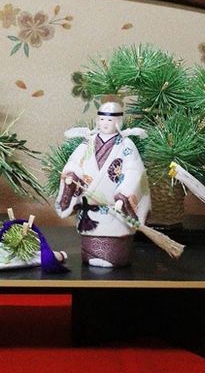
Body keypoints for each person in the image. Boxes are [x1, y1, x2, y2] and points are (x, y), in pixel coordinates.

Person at [55, 94, 151, 267]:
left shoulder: (126, 144)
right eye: (101, 119)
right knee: (90, 241)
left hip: (116, 209)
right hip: (90, 209)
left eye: (109, 120)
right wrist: (71, 176)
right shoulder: (88, 142)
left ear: (118, 121)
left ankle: (114, 259)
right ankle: (91, 256)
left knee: (115, 242)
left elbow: (133, 171)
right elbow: (75, 163)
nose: (105, 123)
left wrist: (123, 195)